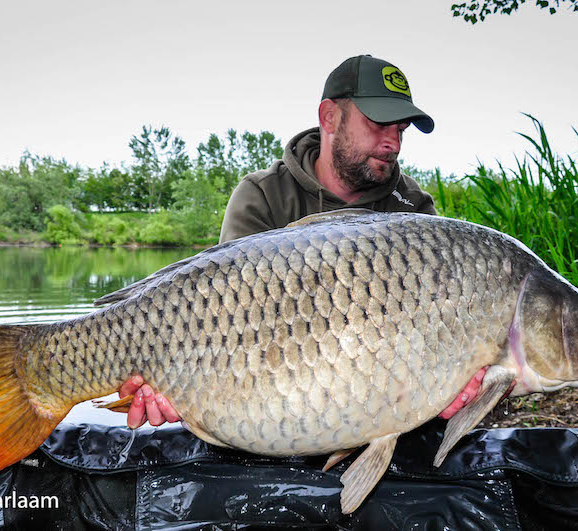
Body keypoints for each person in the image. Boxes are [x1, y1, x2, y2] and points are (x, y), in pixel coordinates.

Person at [118, 55, 486, 430]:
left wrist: (462, 380)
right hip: (270, 399)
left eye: (401, 130)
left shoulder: (415, 214)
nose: (392, 142)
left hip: (379, 405)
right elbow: (222, 325)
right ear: (329, 117)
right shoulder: (262, 196)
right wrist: (182, 391)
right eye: (378, 124)